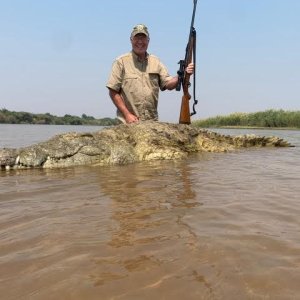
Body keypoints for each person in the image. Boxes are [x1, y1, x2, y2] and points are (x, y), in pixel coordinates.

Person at [106, 24, 194, 124]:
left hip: (152, 124)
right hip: (128, 123)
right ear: (131, 40)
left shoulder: (156, 62)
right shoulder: (120, 62)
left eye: (143, 38)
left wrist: (183, 74)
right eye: (136, 38)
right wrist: (127, 115)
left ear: (148, 41)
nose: (140, 42)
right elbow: (113, 91)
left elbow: (168, 84)